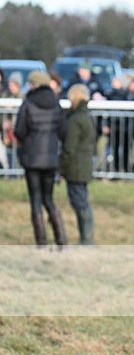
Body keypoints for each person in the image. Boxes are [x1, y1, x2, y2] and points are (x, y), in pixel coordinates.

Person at [14, 70, 68, 247]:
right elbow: (63, 131)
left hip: (31, 158)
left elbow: (19, 131)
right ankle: (61, 239)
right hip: (51, 158)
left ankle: (41, 242)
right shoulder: (56, 103)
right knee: (49, 199)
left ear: (34, 84)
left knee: (36, 200)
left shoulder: (28, 103)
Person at [59, 83, 96, 245]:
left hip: (75, 167)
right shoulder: (89, 116)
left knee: (80, 204)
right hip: (85, 165)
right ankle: (86, 237)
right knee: (83, 202)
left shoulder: (75, 120)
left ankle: (86, 239)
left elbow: (69, 148)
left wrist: (61, 168)